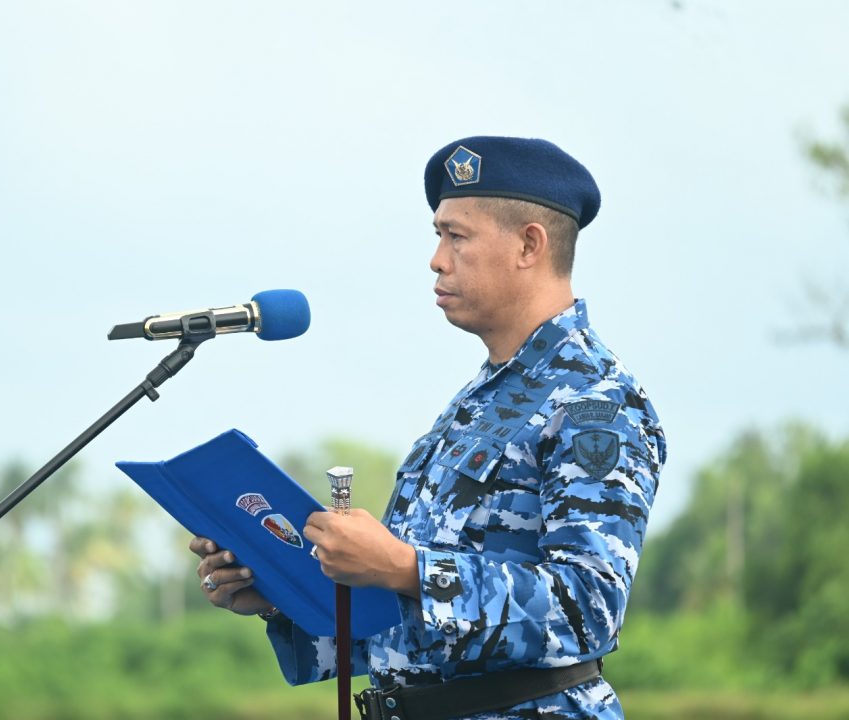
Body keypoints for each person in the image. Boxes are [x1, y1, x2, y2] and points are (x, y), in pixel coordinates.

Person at [189, 136, 667, 720]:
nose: (437, 259)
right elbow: (412, 632)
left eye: (455, 235)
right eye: (438, 236)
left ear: (529, 244)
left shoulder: (595, 400)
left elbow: (589, 608)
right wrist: (277, 594)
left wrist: (403, 566)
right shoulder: (480, 400)